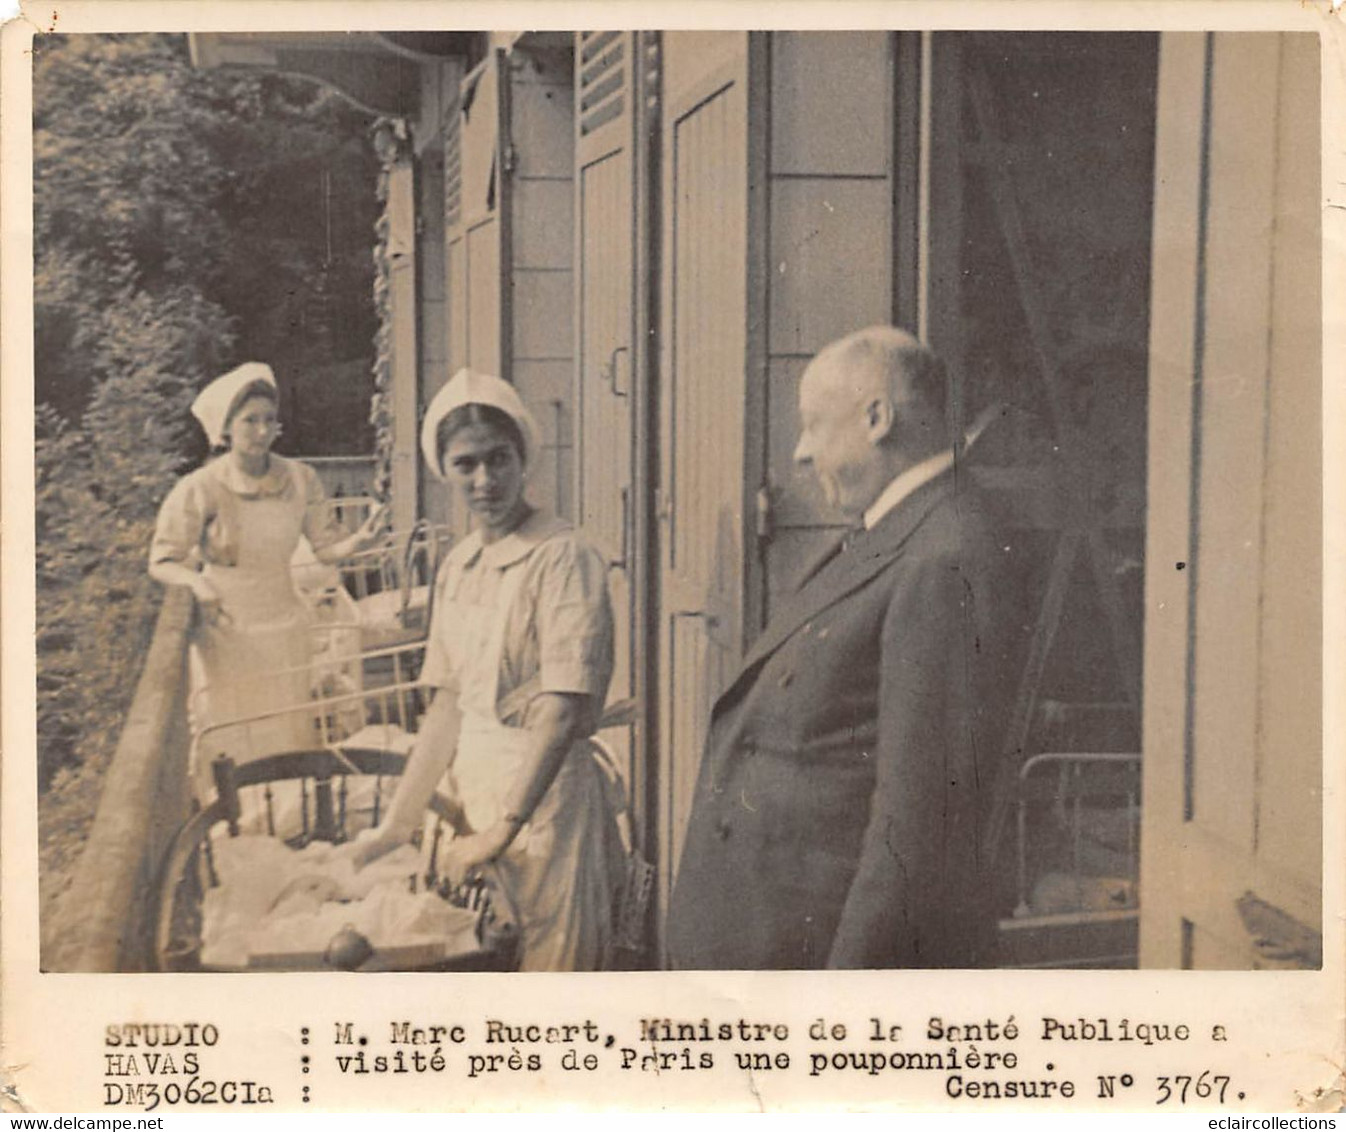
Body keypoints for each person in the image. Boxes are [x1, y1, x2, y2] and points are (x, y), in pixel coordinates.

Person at [667, 326, 1008, 970]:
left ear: (876, 417)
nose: (800, 452)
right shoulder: (895, 531)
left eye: (813, 426)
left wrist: (845, 998)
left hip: (810, 960)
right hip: (768, 939)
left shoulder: (945, 553)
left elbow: (915, 826)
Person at [346, 368, 625, 972]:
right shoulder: (460, 565)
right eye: (465, 464)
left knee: (550, 983)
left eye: (498, 460)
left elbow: (560, 709)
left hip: (542, 803)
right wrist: (396, 826)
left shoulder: (563, 556)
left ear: (523, 459)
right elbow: (448, 707)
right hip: (472, 801)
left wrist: (505, 826)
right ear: (444, 470)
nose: (485, 480)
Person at [149, 362, 386, 796]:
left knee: (287, 731)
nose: (262, 431)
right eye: (250, 420)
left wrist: (360, 540)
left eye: (269, 420)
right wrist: (199, 585)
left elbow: (325, 547)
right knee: (234, 732)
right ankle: (235, 822)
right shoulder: (201, 487)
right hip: (227, 631)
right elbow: (162, 559)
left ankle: (285, 818)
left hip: (286, 626)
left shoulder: (299, 478)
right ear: (226, 428)